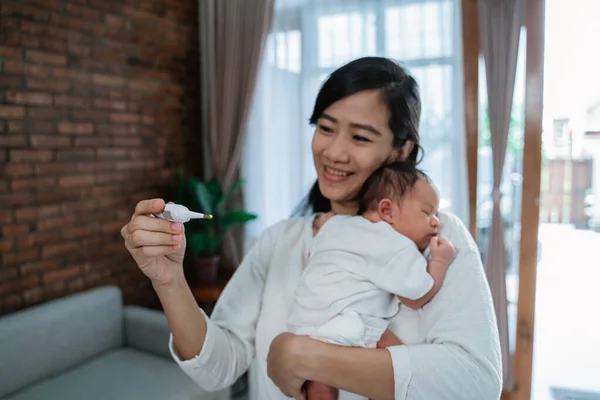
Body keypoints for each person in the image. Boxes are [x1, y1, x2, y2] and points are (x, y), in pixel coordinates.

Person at [121, 57, 502, 400]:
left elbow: (476, 383)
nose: (334, 152)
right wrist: (169, 280)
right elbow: (218, 367)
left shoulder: (436, 238)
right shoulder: (280, 242)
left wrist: (303, 356)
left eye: (360, 137)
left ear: (401, 151)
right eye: (326, 127)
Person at [288, 162, 457, 400]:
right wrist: (440, 260)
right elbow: (415, 296)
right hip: (349, 322)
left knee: (320, 383)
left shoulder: (336, 224)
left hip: (303, 322)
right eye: (427, 212)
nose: (436, 222)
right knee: (397, 367)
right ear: (387, 211)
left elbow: (315, 252)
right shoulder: (395, 244)